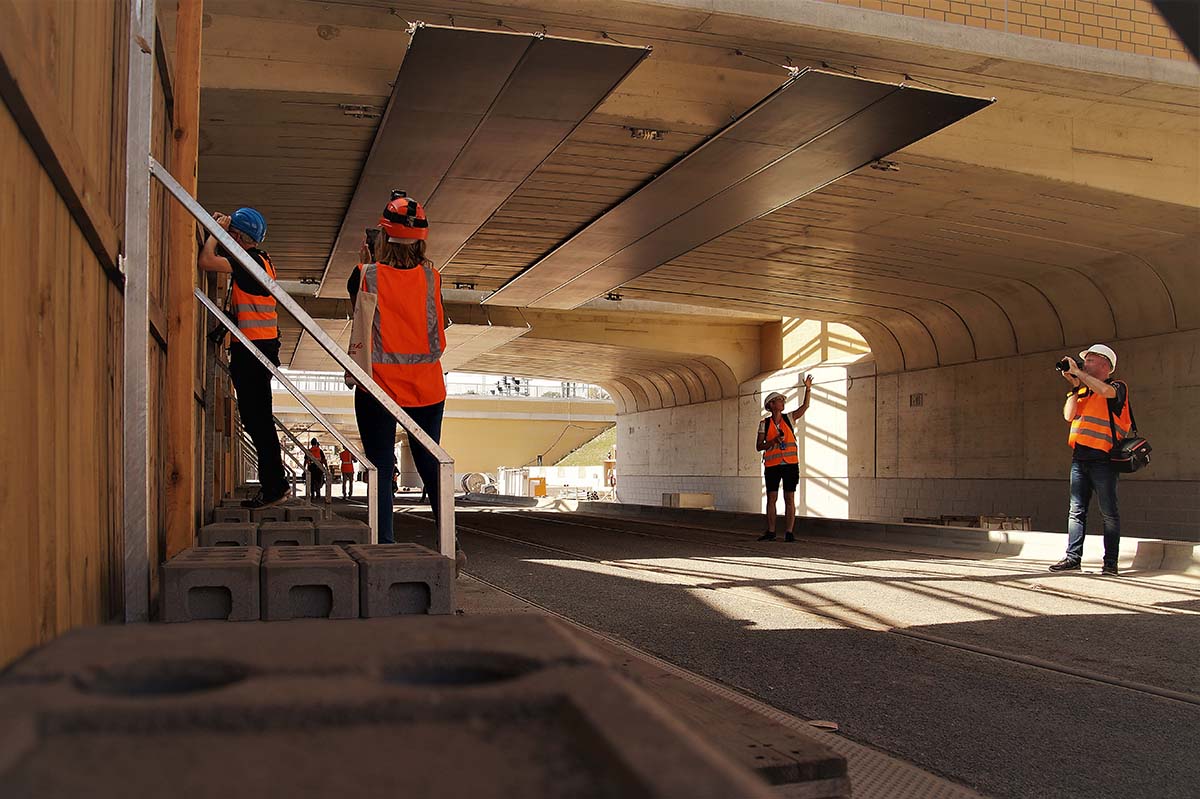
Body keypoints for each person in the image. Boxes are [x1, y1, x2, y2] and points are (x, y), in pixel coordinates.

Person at [346, 191, 463, 572]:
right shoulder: (433, 277)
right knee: (431, 464)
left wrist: (367, 262)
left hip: (378, 387)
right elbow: (437, 336)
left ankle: (384, 548)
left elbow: (361, 319)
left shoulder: (364, 276)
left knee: (379, 465)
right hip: (426, 387)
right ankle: (451, 544)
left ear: (380, 236)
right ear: (422, 239)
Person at [198, 208, 290, 509]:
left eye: (231, 235)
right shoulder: (261, 261)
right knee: (258, 420)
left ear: (237, 237)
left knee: (259, 422)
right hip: (258, 349)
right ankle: (275, 483)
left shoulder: (249, 262)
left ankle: (275, 485)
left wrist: (214, 232)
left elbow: (206, 261)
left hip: (253, 352)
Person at [1050, 344, 1130, 576]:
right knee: (1076, 511)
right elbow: (1068, 415)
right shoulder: (1084, 390)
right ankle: (1073, 558)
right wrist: (1075, 386)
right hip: (1080, 458)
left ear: (1106, 365)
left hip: (1104, 460)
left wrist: (1080, 374)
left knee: (1108, 512)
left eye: (1091, 360)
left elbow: (1106, 393)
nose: (1085, 363)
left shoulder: (1117, 386)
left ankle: (1110, 563)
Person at [756, 375, 813, 542]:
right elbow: (759, 446)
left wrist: (808, 389)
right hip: (773, 465)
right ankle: (771, 531)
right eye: (780, 400)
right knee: (772, 497)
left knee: (789, 497)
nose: (783, 402)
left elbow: (805, 406)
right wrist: (773, 441)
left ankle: (789, 532)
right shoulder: (764, 424)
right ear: (772, 405)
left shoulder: (789, 418)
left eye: (782, 400)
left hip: (790, 464)